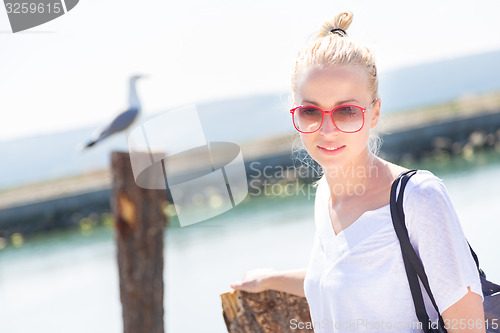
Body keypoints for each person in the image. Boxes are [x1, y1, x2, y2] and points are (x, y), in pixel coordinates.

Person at [231, 11, 485, 333]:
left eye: (347, 111)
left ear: (374, 112)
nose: (327, 129)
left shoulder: (418, 199)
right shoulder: (325, 195)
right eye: (311, 112)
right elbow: (343, 277)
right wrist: (271, 279)